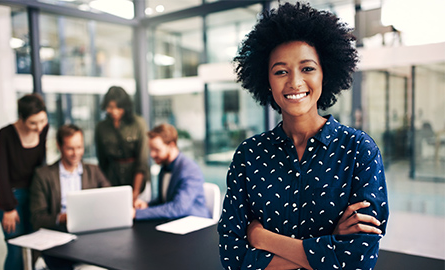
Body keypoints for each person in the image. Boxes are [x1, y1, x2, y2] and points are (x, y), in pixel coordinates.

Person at [218, 2, 389, 270]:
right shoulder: (249, 155)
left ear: (325, 73)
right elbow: (232, 258)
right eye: (280, 71)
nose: (294, 82)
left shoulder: (358, 150)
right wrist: (329, 245)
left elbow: (358, 259)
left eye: (307, 68)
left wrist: (260, 237)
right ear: (267, 80)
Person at [30, 124, 110, 270]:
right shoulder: (43, 175)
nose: (76, 153)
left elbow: (110, 200)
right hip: (57, 238)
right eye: (70, 148)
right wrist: (64, 217)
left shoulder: (93, 171)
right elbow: (37, 218)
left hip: (88, 237)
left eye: (79, 147)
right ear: (59, 146)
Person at [0, 93, 48, 270]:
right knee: (16, 249)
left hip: (35, 194)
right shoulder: (6, 134)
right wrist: (9, 207)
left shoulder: (43, 129)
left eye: (42, 121)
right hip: (12, 197)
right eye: (33, 123)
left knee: (35, 247)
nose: (39, 127)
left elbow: (42, 166)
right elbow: (0, 174)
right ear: (21, 118)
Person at [134, 123, 210, 220]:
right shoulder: (164, 166)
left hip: (196, 225)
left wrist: (137, 214)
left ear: (171, 145)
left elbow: (178, 208)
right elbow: (164, 201)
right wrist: (146, 205)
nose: (152, 154)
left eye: (156, 150)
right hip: (174, 223)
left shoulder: (189, 169)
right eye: (151, 149)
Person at [95, 86, 150, 202]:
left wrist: (135, 193)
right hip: (113, 181)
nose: (114, 111)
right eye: (110, 107)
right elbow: (102, 162)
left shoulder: (138, 123)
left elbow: (142, 161)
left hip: (137, 182)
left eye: (118, 107)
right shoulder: (101, 127)